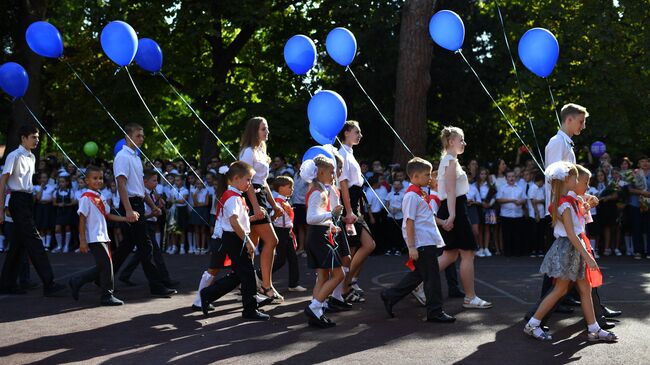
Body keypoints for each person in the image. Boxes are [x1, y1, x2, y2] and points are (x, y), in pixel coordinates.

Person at [524, 161, 617, 342]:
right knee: (560, 289)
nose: (583, 184)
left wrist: (589, 203)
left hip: (575, 248)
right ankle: (533, 324)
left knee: (585, 288)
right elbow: (572, 235)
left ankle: (594, 328)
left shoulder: (570, 200)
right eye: (578, 179)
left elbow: (580, 209)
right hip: (570, 248)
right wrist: (588, 257)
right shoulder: (564, 204)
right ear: (568, 179)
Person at [380, 157, 455, 323]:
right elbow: (409, 221)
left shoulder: (420, 193)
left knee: (420, 275)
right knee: (432, 278)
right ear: (414, 176)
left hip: (426, 240)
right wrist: (412, 246)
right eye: (426, 174)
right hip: (422, 243)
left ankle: (390, 295)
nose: (430, 178)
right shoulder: (412, 196)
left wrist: (443, 223)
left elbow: (427, 216)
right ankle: (435, 311)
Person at [199, 161, 270, 321]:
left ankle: (209, 294)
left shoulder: (235, 196)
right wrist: (248, 241)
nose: (250, 184)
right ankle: (249, 310)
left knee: (242, 274)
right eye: (248, 180)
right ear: (236, 178)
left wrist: (253, 218)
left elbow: (238, 220)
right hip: (234, 238)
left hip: (234, 237)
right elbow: (234, 222)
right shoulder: (233, 198)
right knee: (247, 274)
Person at [112, 123, 176, 297]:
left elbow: (140, 187)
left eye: (142, 135)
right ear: (128, 136)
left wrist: (153, 205)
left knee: (126, 248)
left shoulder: (136, 157)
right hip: (131, 205)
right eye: (138, 135)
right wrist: (128, 210)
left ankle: (100, 278)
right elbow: (122, 185)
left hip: (137, 203)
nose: (142, 138)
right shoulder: (122, 157)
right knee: (146, 247)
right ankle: (157, 286)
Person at [0, 125, 65, 296]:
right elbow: (3, 182)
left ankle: (6, 283)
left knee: (18, 244)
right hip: (17, 200)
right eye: (33, 137)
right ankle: (49, 283)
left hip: (28, 200)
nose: (36, 140)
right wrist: (1, 209)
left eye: (37, 137)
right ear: (23, 138)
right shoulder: (13, 156)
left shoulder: (32, 157)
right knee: (35, 240)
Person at [436, 126, 492, 309]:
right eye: (461, 140)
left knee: (450, 254)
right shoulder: (450, 161)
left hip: (453, 206)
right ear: (451, 141)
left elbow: (447, 190)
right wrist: (452, 215)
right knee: (467, 253)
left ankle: (419, 282)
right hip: (455, 209)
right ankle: (470, 297)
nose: (464, 143)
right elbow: (451, 191)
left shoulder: (448, 160)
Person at [69, 166, 128, 306]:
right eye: (94, 178)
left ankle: (78, 280)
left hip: (103, 235)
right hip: (94, 237)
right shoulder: (85, 198)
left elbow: (108, 215)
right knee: (106, 266)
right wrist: (82, 240)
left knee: (104, 266)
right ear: (87, 180)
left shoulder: (101, 196)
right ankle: (107, 296)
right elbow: (82, 220)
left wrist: (126, 218)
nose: (98, 181)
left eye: (100, 178)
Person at [238, 117, 283, 302]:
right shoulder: (248, 152)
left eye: (267, 128)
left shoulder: (260, 151)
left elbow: (263, 182)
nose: (267, 132)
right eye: (263, 129)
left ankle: (247, 284)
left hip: (260, 197)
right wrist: (256, 207)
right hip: (252, 199)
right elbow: (246, 183)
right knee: (272, 241)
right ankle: (265, 285)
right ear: (254, 131)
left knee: (252, 245)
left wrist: (274, 204)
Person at [301, 155, 345, 328]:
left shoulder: (320, 190)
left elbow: (317, 217)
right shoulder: (318, 193)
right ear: (320, 172)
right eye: (331, 172)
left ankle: (317, 313)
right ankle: (315, 306)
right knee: (339, 274)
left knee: (323, 276)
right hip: (319, 238)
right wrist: (331, 215)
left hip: (320, 234)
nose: (334, 175)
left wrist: (330, 226)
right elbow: (310, 218)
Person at [118, 170, 178, 289]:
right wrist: (153, 214)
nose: (156, 183)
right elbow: (141, 216)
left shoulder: (152, 193)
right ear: (145, 182)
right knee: (155, 253)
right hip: (145, 225)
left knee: (141, 253)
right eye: (154, 180)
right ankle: (165, 279)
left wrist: (158, 205)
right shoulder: (141, 196)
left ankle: (125, 274)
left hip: (149, 225)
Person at [338, 120, 376, 302]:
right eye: (356, 132)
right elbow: (343, 185)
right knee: (355, 247)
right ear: (346, 132)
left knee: (365, 245)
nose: (360, 135)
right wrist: (349, 210)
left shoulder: (350, 153)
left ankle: (347, 283)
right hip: (350, 204)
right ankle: (344, 287)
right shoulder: (342, 154)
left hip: (356, 203)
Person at [270, 175, 305, 292]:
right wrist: (275, 215)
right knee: (281, 260)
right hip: (281, 232)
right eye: (290, 187)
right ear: (280, 188)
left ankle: (293, 284)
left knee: (293, 258)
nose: (292, 189)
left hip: (287, 232)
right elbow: (272, 216)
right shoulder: (278, 202)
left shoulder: (284, 200)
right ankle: (260, 276)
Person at [496, 171, 526, 256]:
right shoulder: (502, 188)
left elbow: (524, 199)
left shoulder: (520, 188)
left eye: (513, 176)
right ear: (506, 178)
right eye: (509, 176)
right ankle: (507, 252)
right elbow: (498, 199)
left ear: (515, 178)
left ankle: (517, 252)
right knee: (506, 234)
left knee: (517, 235)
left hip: (518, 214)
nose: (511, 178)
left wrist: (521, 202)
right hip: (506, 215)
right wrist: (512, 200)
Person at [52, 175, 76, 253]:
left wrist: (66, 204)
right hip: (59, 212)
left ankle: (66, 246)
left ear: (67, 183)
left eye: (63, 182)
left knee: (67, 228)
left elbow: (73, 202)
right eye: (60, 182)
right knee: (57, 229)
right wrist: (58, 204)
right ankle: (59, 246)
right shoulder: (56, 192)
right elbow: (54, 203)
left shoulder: (70, 191)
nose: (61, 184)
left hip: (67, 212)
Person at [33, 172, 55, 251]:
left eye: (45, 178)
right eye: (41, 178)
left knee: (48, 226)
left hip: (48, 207)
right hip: (39, 207)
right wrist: (41, 187)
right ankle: (43, 244)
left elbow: (53, 199)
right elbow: (38, 198)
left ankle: (47, 245)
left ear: (48, 179)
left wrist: (46, 201)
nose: (43, 179)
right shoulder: (35, 187)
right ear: (39, 179)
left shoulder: (52, 187)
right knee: (41, 226)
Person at [384, 179, 405, 256]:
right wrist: (389, 209)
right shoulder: (389, 194)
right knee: (390, 233)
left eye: (398, 184)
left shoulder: (404, 194)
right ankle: (389, 249)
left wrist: (399, 209)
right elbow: (386, 203)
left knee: (398, 233)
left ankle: (398, 249)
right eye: (395, 184)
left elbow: (405, 205)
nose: (396, 186)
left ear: (400, 186)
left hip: (400, 216)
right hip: (390, 216)